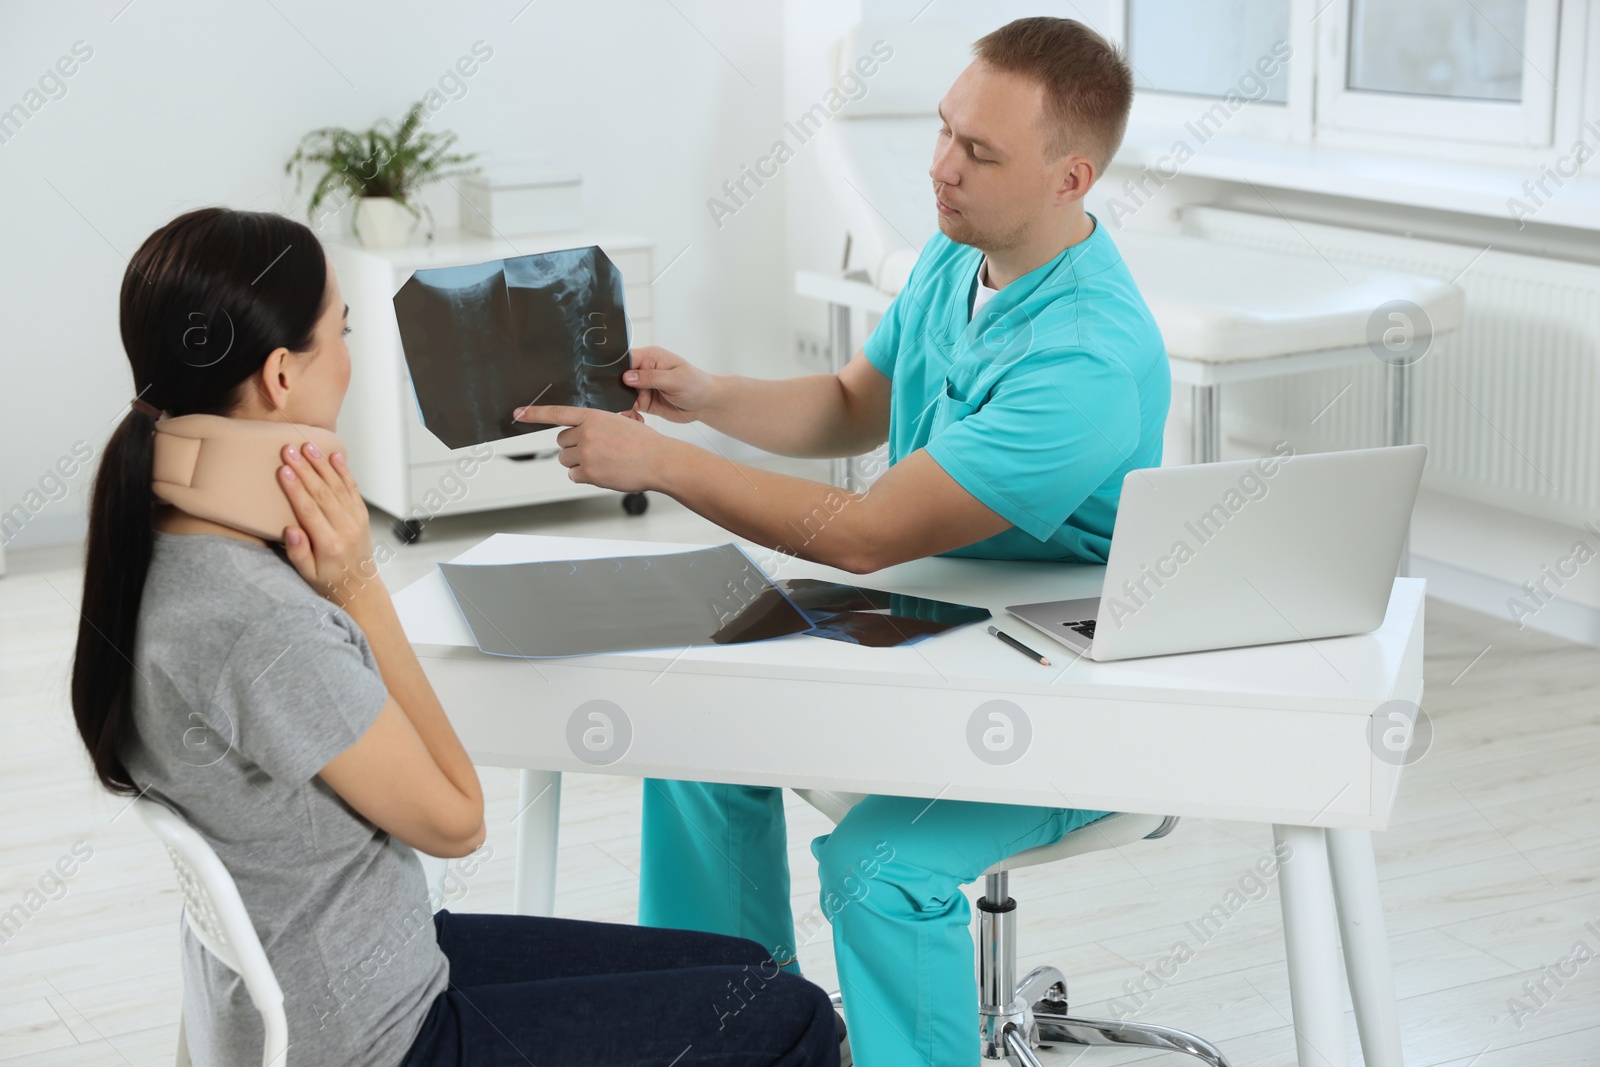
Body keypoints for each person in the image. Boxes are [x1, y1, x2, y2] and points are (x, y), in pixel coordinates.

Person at [511, 17, 1166, 1067]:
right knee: (692, 736)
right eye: (946, 131)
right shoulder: (960, 261)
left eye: (978, 152)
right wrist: (704, 398)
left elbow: (862, 536)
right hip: (930, 630)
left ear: (1068, 177)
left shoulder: (1087, 356)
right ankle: (727, 1038)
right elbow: (853, 401)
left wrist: (659, 466)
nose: (939, 168)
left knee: (875, 865)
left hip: (1054, 701)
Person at [68, 206, 840, 1067]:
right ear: (281, 375)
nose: (355, 362)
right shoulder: (258, 621)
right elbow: (457, 819)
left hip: (358, 969)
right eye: (343, 333)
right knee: (797, 1017)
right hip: (383, 1034)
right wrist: (359, 586)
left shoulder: (160, 546)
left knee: (745, 970)